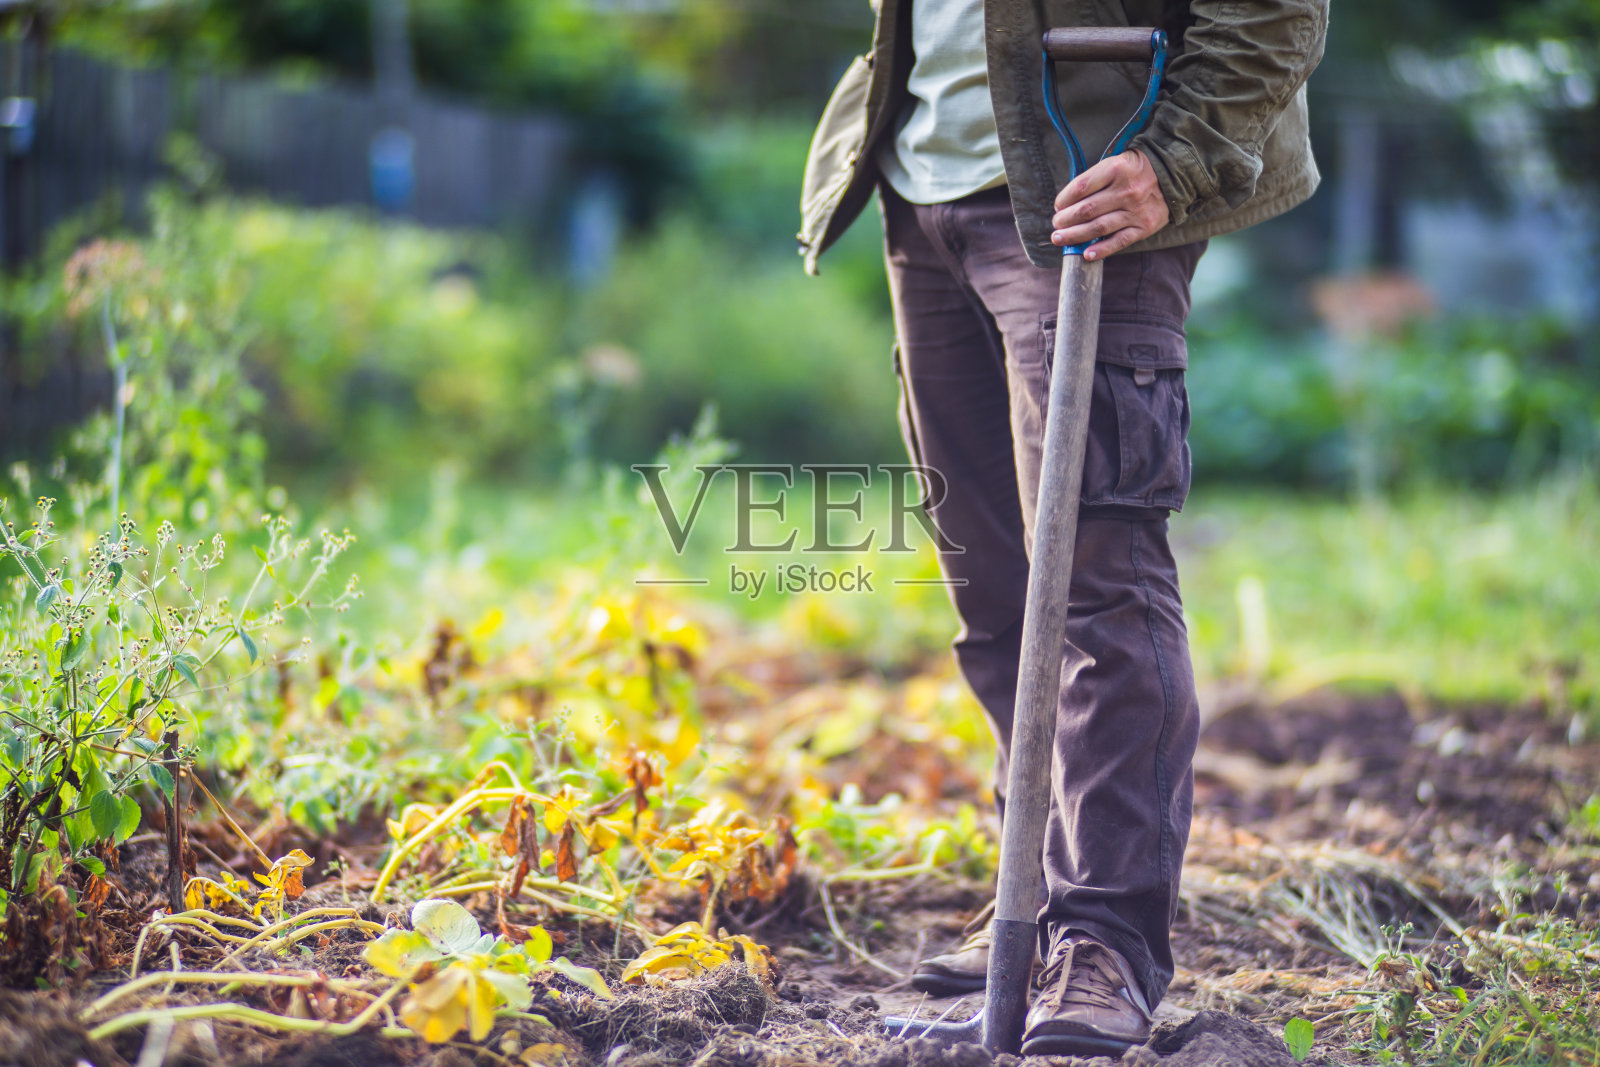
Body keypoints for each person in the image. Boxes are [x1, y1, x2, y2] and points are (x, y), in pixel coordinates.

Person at [799, 0, 1327, 1056]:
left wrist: (1175, 162)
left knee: (1095, 584)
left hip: (1087, 184)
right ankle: (1030, 905)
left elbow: (1274, 10)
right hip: (923, 188)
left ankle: (1104, 940)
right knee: (995, 592)